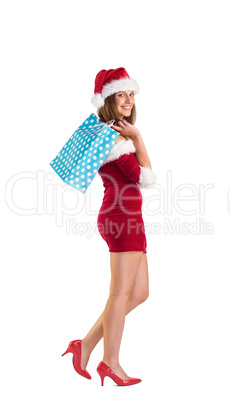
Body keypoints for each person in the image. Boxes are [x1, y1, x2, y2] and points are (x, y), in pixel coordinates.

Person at [62, 67, 157, 386]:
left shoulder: (113, 132)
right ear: (108, 99)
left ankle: (84, 345)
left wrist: (133, 135)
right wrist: (138, 137)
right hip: (121, 218)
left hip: (129, 216)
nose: (129, 99)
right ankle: (110, 363)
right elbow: (146, 178)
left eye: (132, 93)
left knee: (140, 292)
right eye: (122, 94)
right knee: (119, 295)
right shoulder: (115, 136)